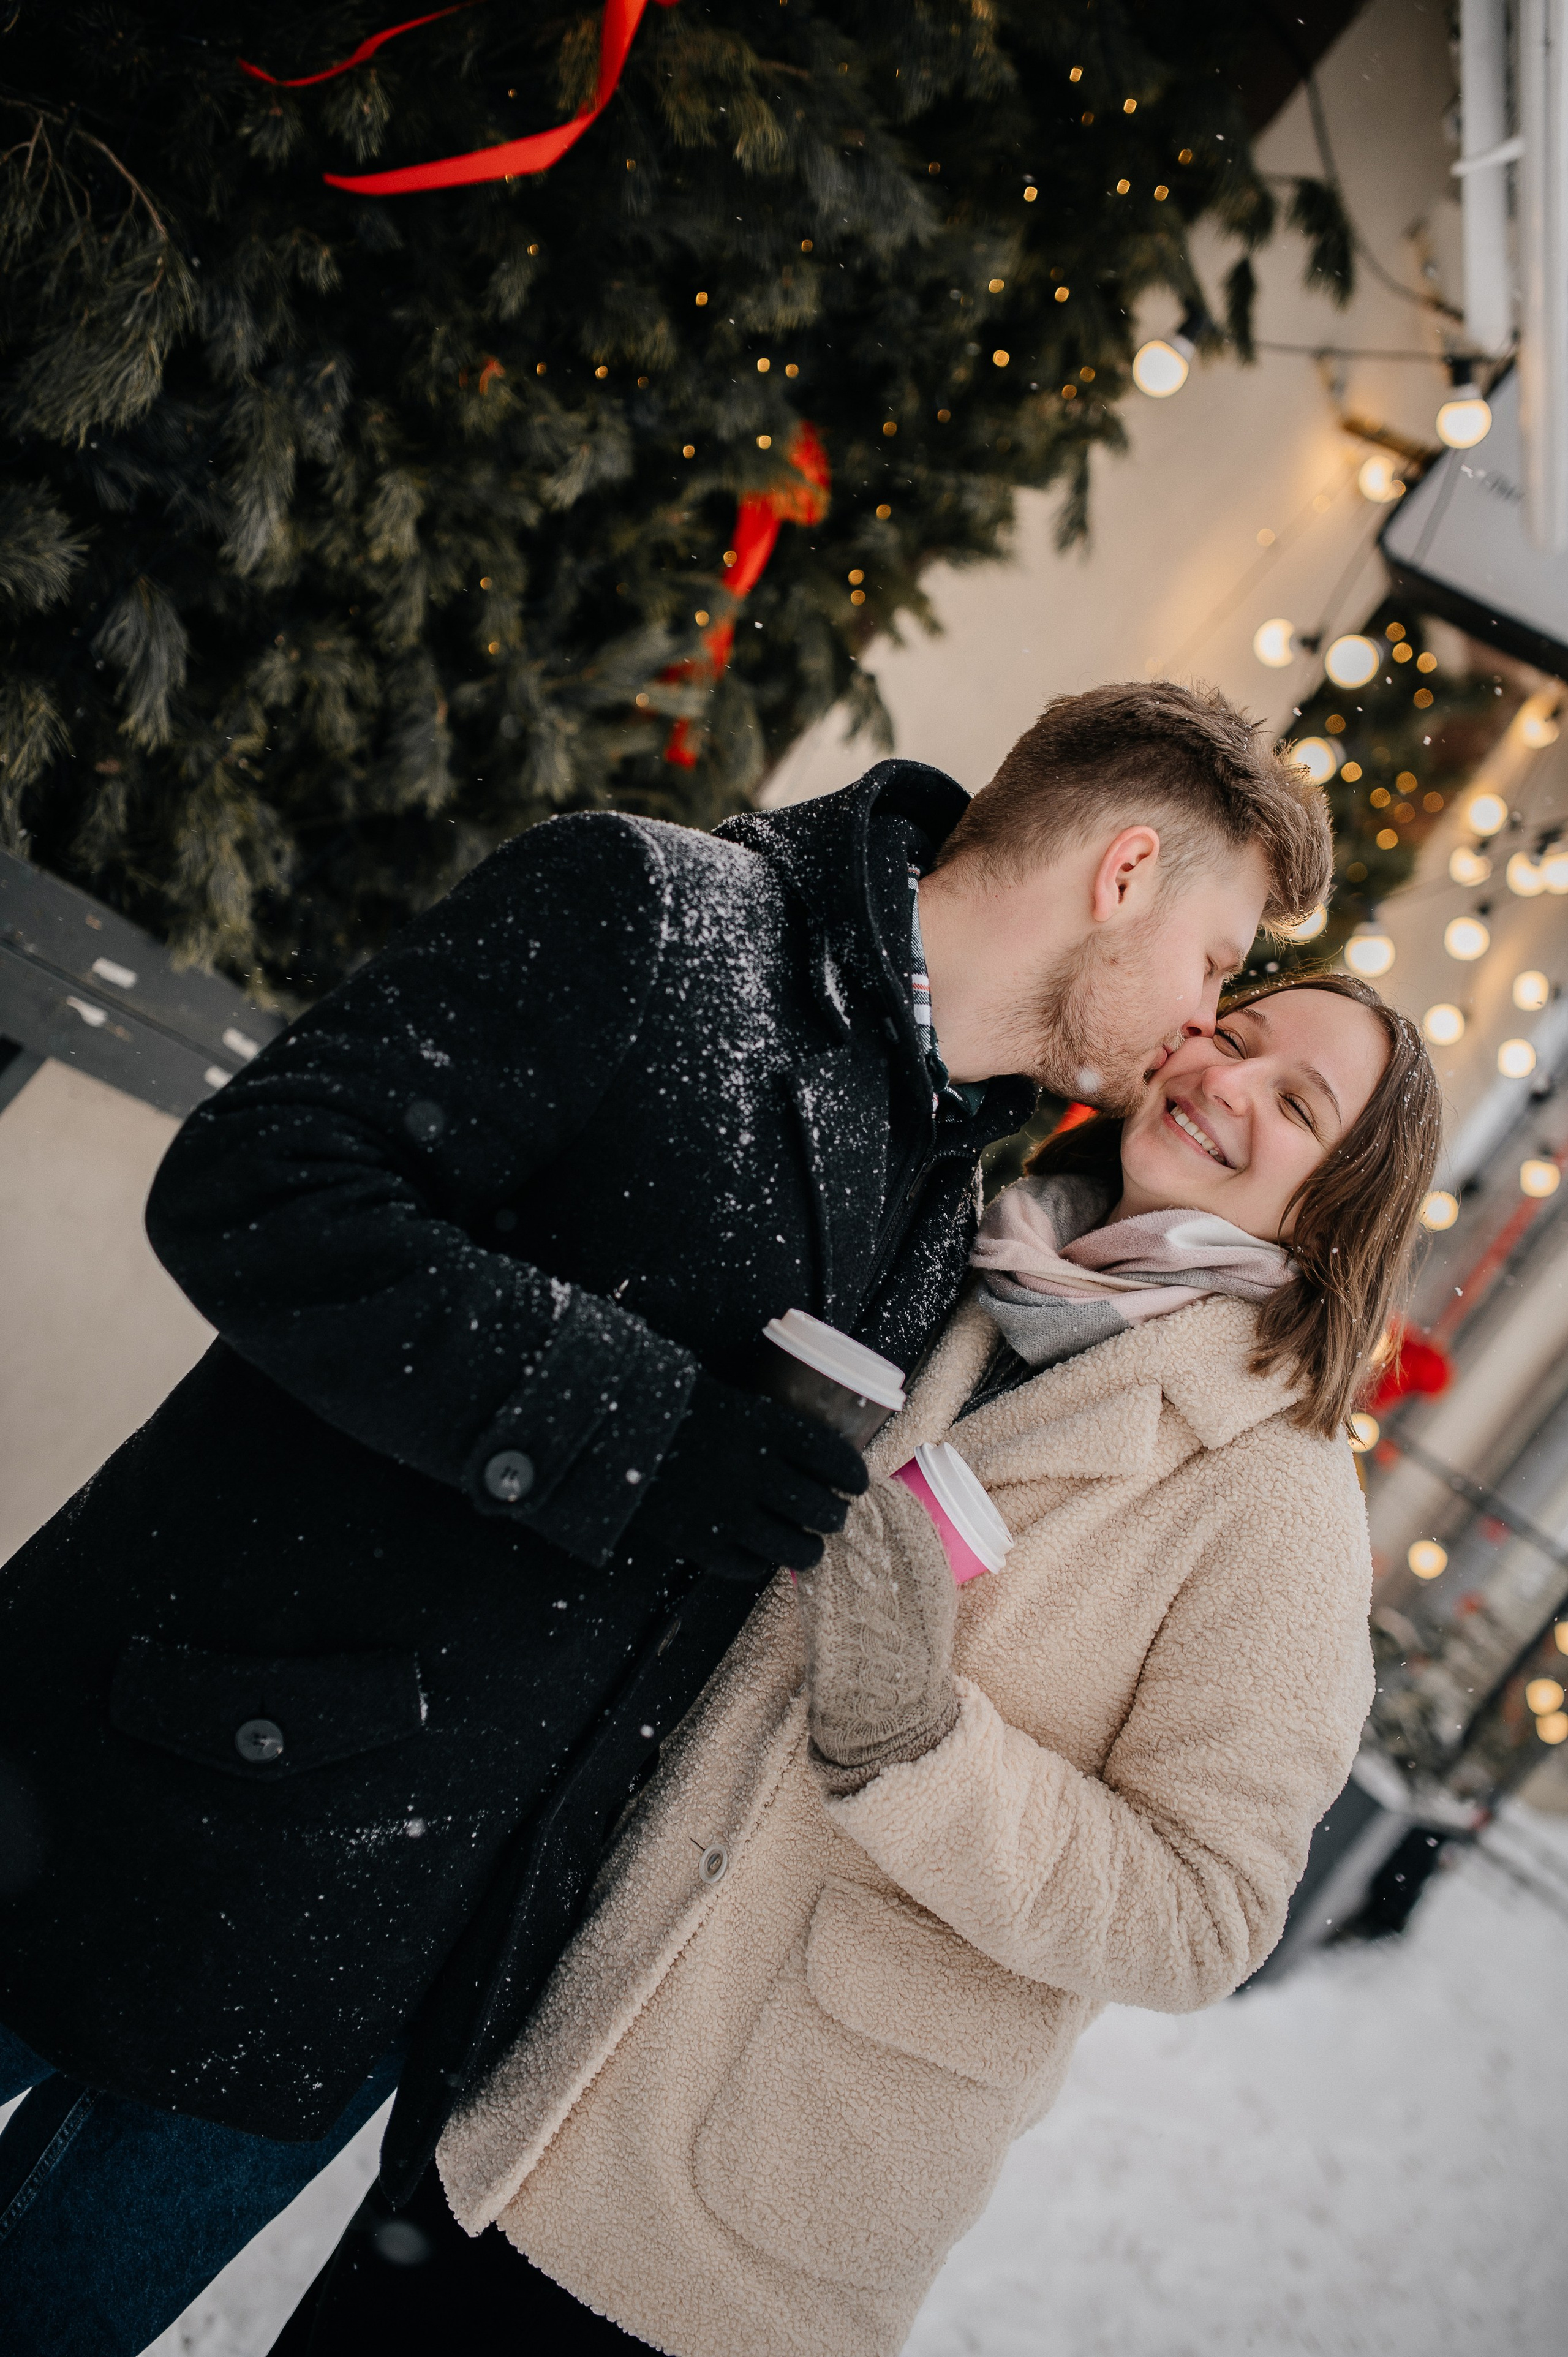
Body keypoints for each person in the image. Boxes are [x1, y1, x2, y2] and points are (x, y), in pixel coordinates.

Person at [0, 682, 1327, 2354]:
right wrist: (630, 1432)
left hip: (367, 1971)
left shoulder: (957, 1205)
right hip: (136, 1777)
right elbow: (259, 1187)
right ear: (1125, 870)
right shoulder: (648, 912)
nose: (1204, 1028)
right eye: (1221, 964)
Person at [292, 972, 1440, 2356]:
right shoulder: (958, 1266)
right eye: (1235, 1036)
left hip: (739, 2217)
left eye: (1295, 1102)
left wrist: (917, 1748)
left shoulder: (1277, 1506)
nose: (1228, 1080)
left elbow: (1206, 1911)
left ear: (1336, 1214)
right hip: (525, 2065)